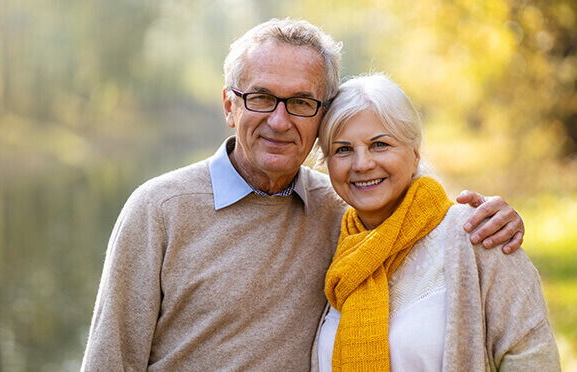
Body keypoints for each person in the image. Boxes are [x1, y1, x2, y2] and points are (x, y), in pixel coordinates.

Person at [81, 19, 526, 371]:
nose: (278, 120)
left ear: (322, 116)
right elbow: (109, 361)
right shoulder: (158, 210)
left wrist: (493, 219)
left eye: (300, 102)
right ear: (229, 105)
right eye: (260, 97)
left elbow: (417, 211)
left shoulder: (343, 208)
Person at [316, 73, 560, 371]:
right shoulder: (335, 243)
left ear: (415, 152)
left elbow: (531, 354)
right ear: (327, 164)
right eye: (343, 149)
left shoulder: (477, 233)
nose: (362, 164)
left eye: (379, 144)